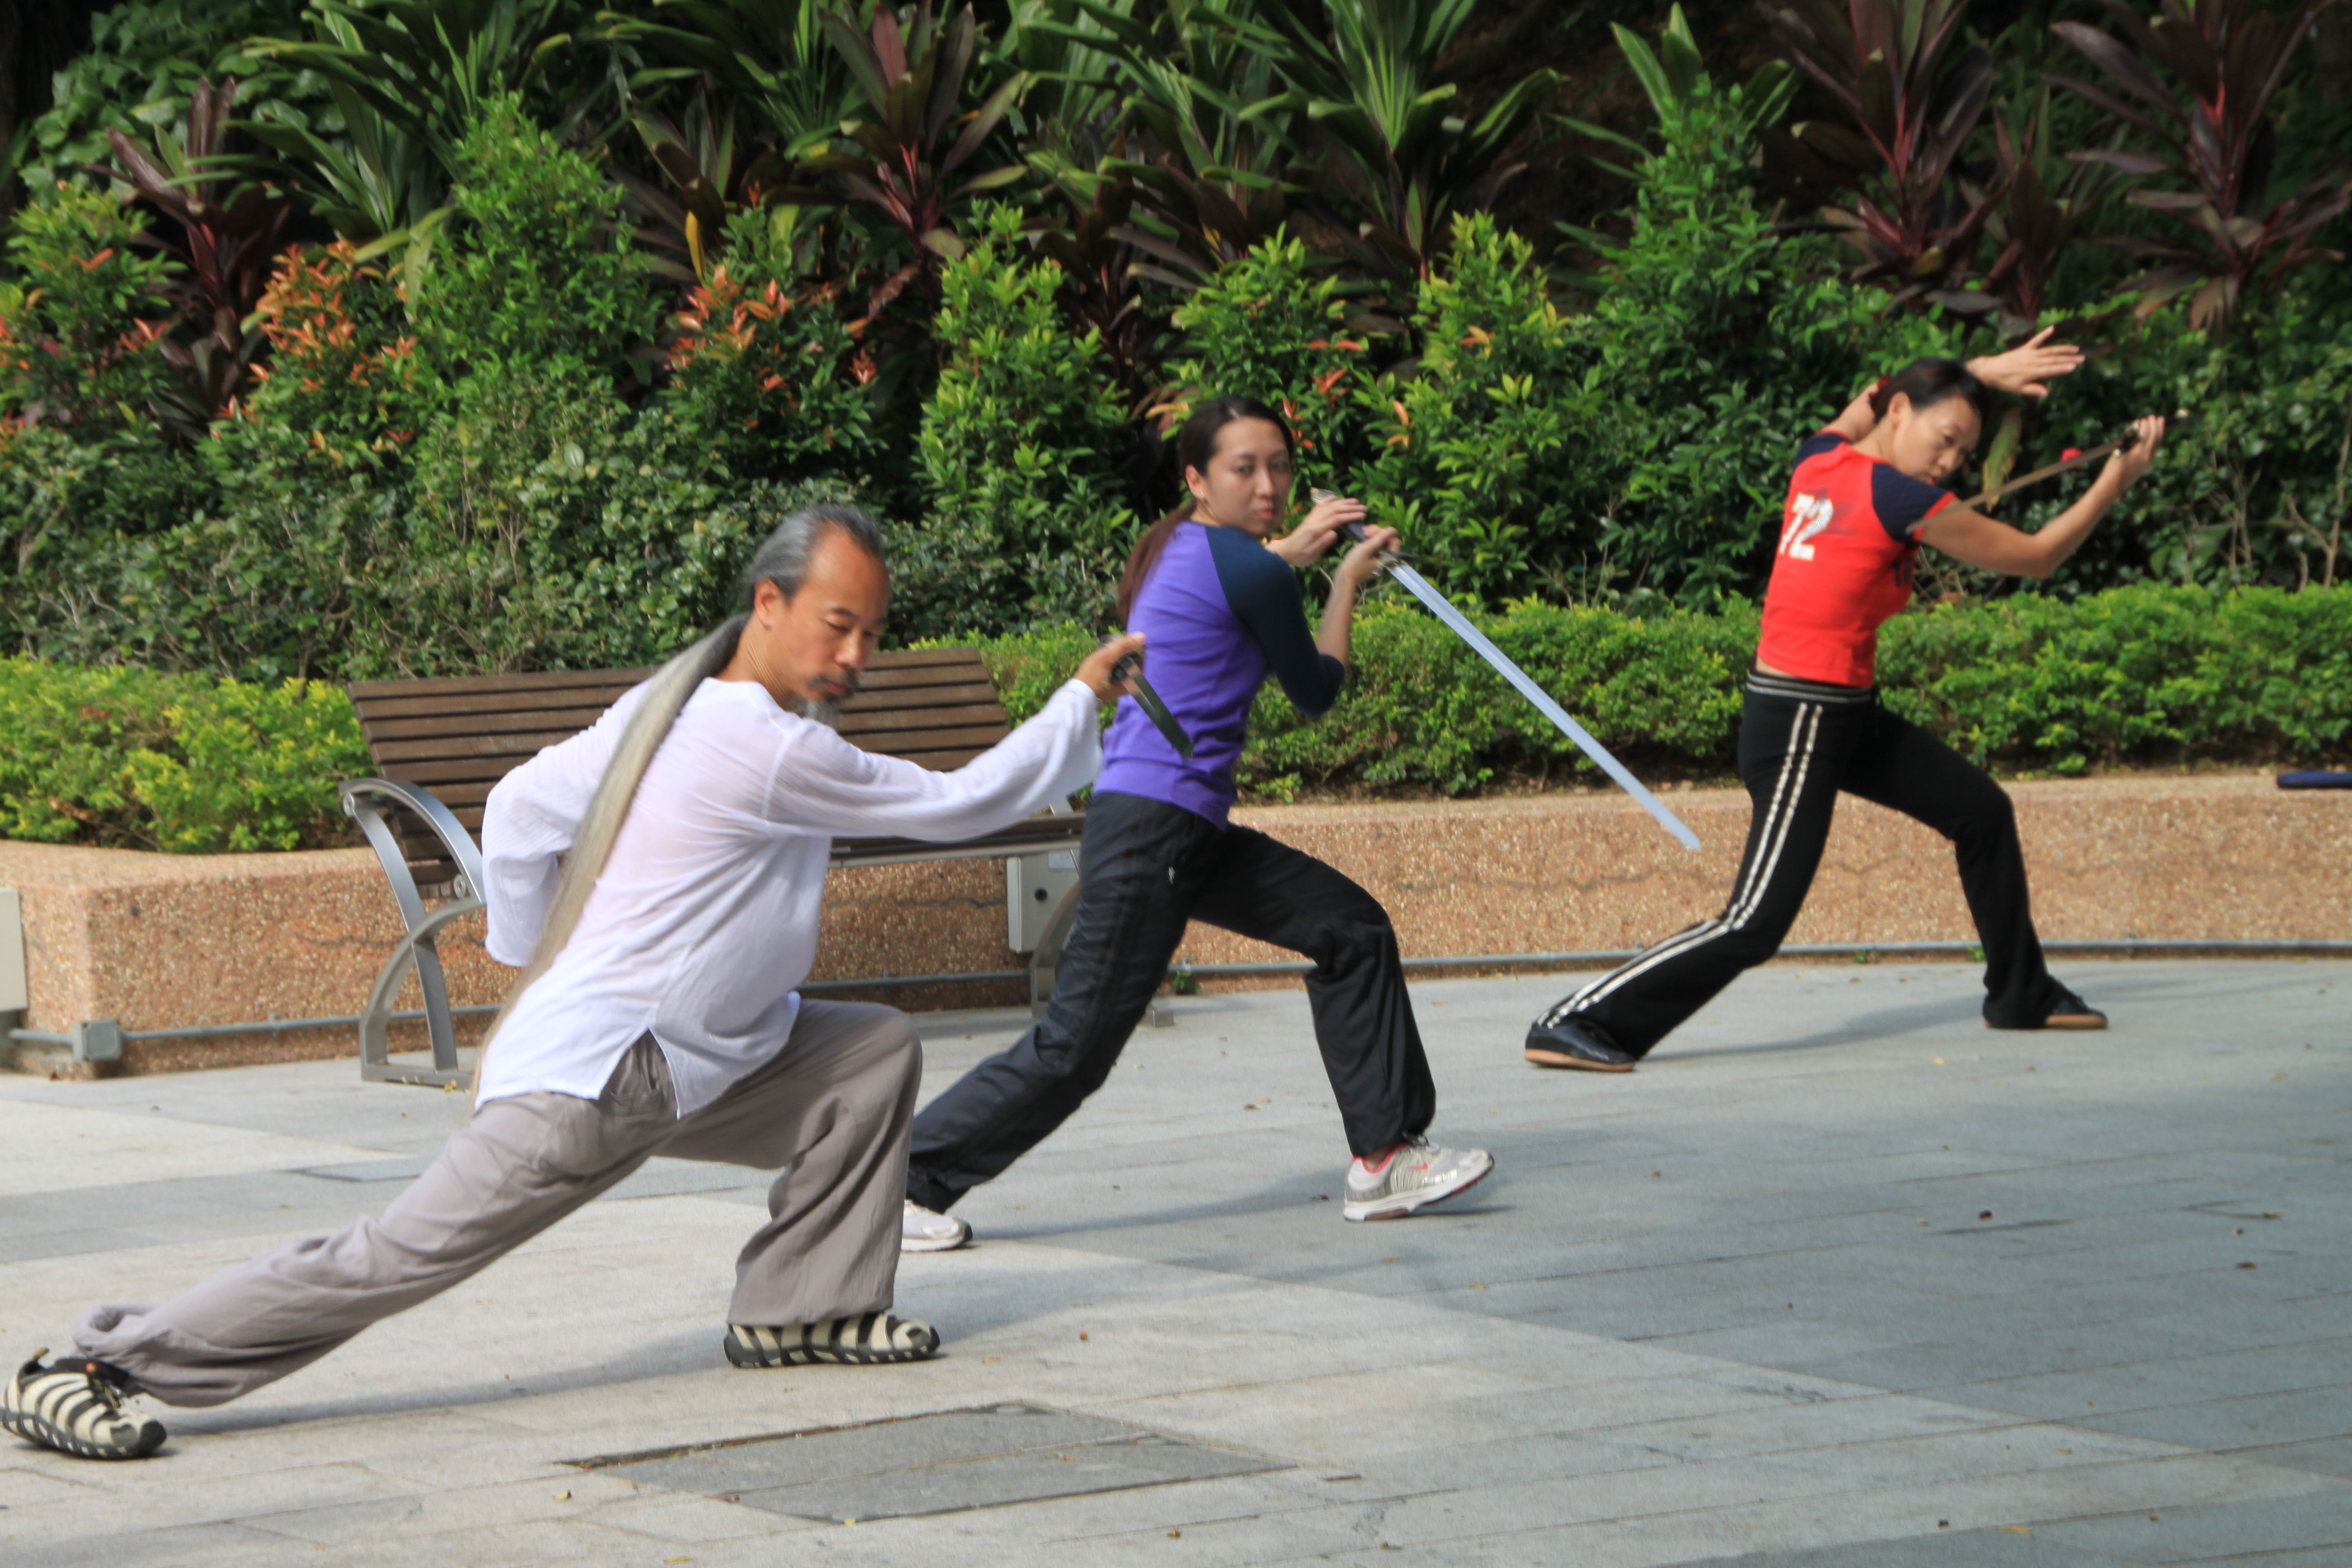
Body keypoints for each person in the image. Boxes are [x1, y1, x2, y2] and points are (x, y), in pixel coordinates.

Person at [1, 505, 1144, 1461]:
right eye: (838, 626)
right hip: (608, 1076)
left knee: (869, 1051)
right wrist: (1080, 697)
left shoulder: (675, 703)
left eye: (870, 635)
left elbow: (522, 808)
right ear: (769, 606)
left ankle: (807, 1310)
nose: (854, 657)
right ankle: (97, 1361)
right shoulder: (760, 740)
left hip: (714, 1056)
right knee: (396, 1256)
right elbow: (956, 804)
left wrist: (537, 955)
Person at [900, 396, 1492, 1255]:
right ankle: (902, 1180)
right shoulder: (1252, 569)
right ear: (1197, 478)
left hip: (1182, 829)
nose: (1268, 484)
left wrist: (1300, 553)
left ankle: (1386, 1155)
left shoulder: (1176, 547)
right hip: (1154, 834)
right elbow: (1318, 688)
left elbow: (1253, 570)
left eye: (1279, 466)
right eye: (1243, 469)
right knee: (1075, 1047)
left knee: (1349, 928)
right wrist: (1347, 583)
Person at [1523, 333, 2167, 1073]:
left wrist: (1975, 375)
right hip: (1802, 718)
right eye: (1946, 439)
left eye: (1964, 452)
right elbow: (2039, 556)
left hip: (1847, 713)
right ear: (1902, 411)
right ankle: (1577, 1020)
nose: (1951, 462)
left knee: (1982, 811)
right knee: (1756, 920)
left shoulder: (1820, 459)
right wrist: (2116, 479)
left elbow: (1862, 405)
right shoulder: (1901, 498)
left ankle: (2020, 993)